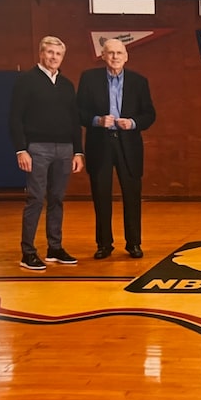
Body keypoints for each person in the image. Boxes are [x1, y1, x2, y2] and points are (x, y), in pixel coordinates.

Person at [9, 36, 84, 270]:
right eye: (50, 52)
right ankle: (28, 252)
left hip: (64, 149)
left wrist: (78, 152)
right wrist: (21, 149)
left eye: (58, 54)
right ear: (41, 54)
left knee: (57, 199)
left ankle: (55, 247)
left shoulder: (66, 85)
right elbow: (15, 118)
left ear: (63, 57)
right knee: (35, 199)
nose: (54, 57)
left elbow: (74, 121)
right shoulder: (26, 81)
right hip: (37, 149)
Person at [77, 38, 156, 260]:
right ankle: (104, 244)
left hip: (128, 145)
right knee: (101, 197)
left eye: (119, 53)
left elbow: (149, 114)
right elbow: (78, 112)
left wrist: (132, 123)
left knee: (132, 197)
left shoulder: (139, 81)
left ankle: (133, 243)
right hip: (99, 143)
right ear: (102, 55)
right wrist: (96, 120)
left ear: (126, 56)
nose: (114, 57)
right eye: (110, 53)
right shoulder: (89, 78)